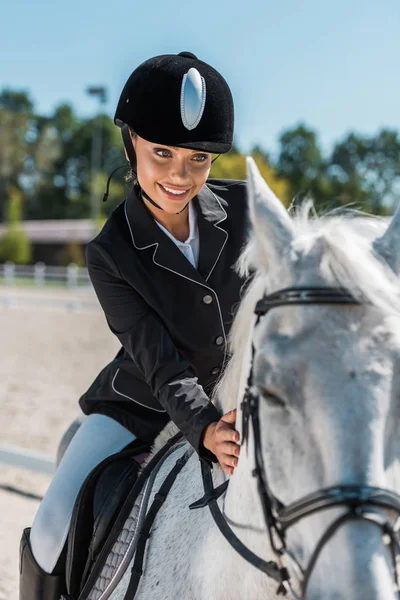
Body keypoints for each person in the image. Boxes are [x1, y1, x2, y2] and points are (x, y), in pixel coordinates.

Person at [19, 51, 248, 600]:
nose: (179, 173)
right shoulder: (111, 251)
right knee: (52, 526)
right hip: (140, 401)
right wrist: (204, 427)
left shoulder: (246, 213)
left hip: (243, 393)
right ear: (131, 145)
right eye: (162, 152)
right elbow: (156, 356)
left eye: (198, 158)